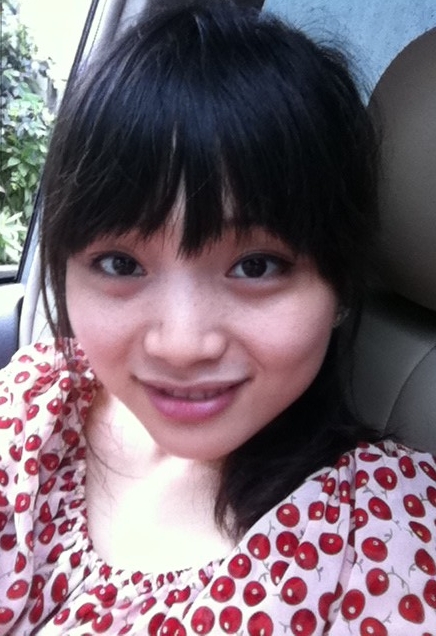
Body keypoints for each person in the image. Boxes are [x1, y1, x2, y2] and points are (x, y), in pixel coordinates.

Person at [1, 1, 435, 634]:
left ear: (340, 283)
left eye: (256, 266)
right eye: (120, 263)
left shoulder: (385, 539)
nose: (181, 345)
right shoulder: (36, 396)